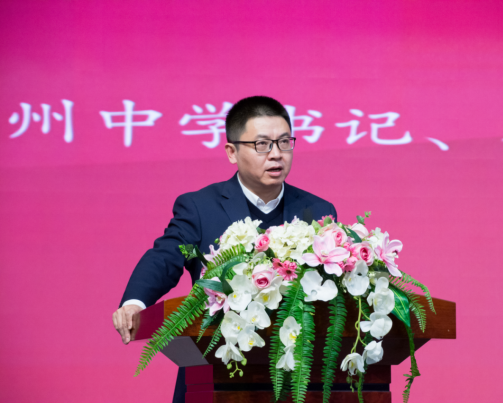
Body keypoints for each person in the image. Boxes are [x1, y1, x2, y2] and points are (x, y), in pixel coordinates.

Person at [112, 95, 337, 402]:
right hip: (215, 374)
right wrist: (135, 302)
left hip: (298, 380)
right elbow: (166, 256)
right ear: (232, 152)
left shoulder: (318, 210)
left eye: (285, 142)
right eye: (262, 144)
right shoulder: (200, 207)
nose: (276, 154)